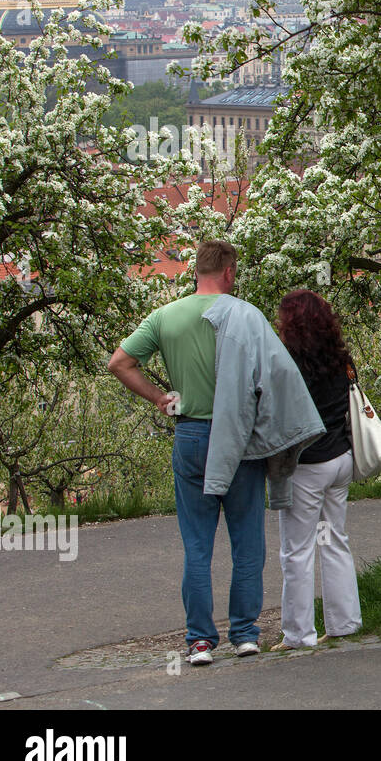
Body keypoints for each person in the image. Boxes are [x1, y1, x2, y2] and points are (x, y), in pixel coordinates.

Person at [105, 241, 273, 665]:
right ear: (230, 272)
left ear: (195, 271)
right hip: (239, 438)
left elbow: (119, 363)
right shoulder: (245, 315)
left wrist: (160, 398)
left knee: (197, 544)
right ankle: (245, 634)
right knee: (247, 541)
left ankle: (199, 641)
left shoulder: (165, 317)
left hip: (192, 434)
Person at [271, 289, 362, 650]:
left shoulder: (289, 361)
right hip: (341, 458)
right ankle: (344, 622)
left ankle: (298, 633)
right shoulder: (341, 357)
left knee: (297, 550)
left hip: (308, 464)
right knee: (334, 540)